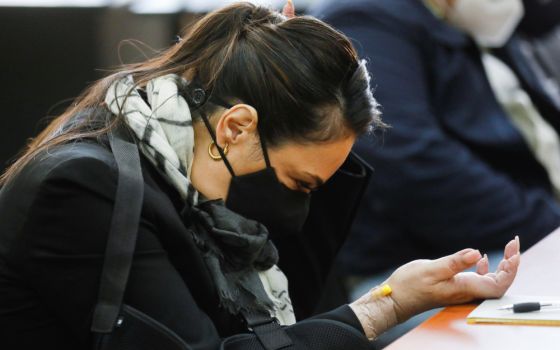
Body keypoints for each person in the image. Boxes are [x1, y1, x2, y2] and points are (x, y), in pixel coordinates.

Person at [0, 2, 521, 349]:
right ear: (236, 126)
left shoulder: (178, 166)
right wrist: (384, 307)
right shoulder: (85, 190)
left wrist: (393, 298)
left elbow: (271, 325)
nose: (295, 212)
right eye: (300, 185)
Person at [311, 0, 560, 279]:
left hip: (517, 234)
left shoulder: (470, 24)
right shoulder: (367, 21)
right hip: (423, 266)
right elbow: (406, 158)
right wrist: (545, 222)